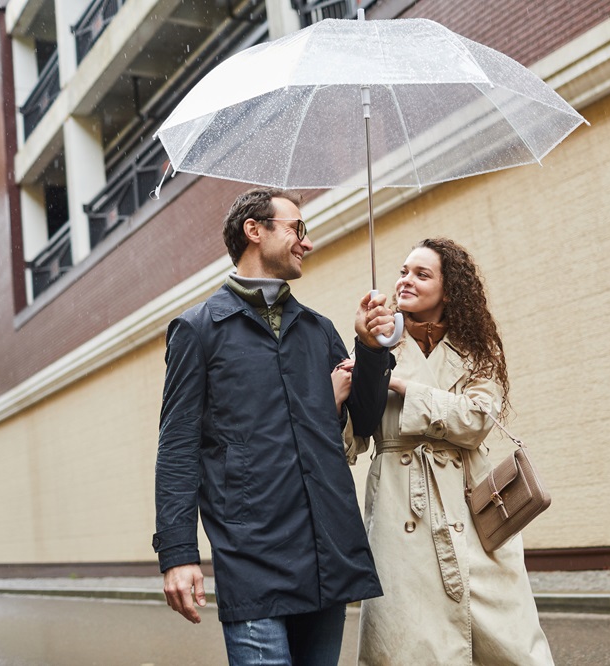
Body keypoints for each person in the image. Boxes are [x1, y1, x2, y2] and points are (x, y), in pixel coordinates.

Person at [153, 187, 396, 666]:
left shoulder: (318, 329)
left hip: (327, 547)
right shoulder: (198, 330)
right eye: (296, 229)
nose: (306, 242)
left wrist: (369, 348)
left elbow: (365, 421)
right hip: (252, 554)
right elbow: (178, 449)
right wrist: (179, 554)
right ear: (254, 231)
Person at [346, 238, 554, 664]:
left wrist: (405, 387)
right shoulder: (376, 344)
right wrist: (366, 360)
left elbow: (477, 421)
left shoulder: (476, 351)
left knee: (509, 641)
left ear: (450, 289)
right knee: (407, 641)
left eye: (422, 274)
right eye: (404, 271)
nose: (406, 280)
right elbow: (353, 433)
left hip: (472, 508)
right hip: (400, 506)